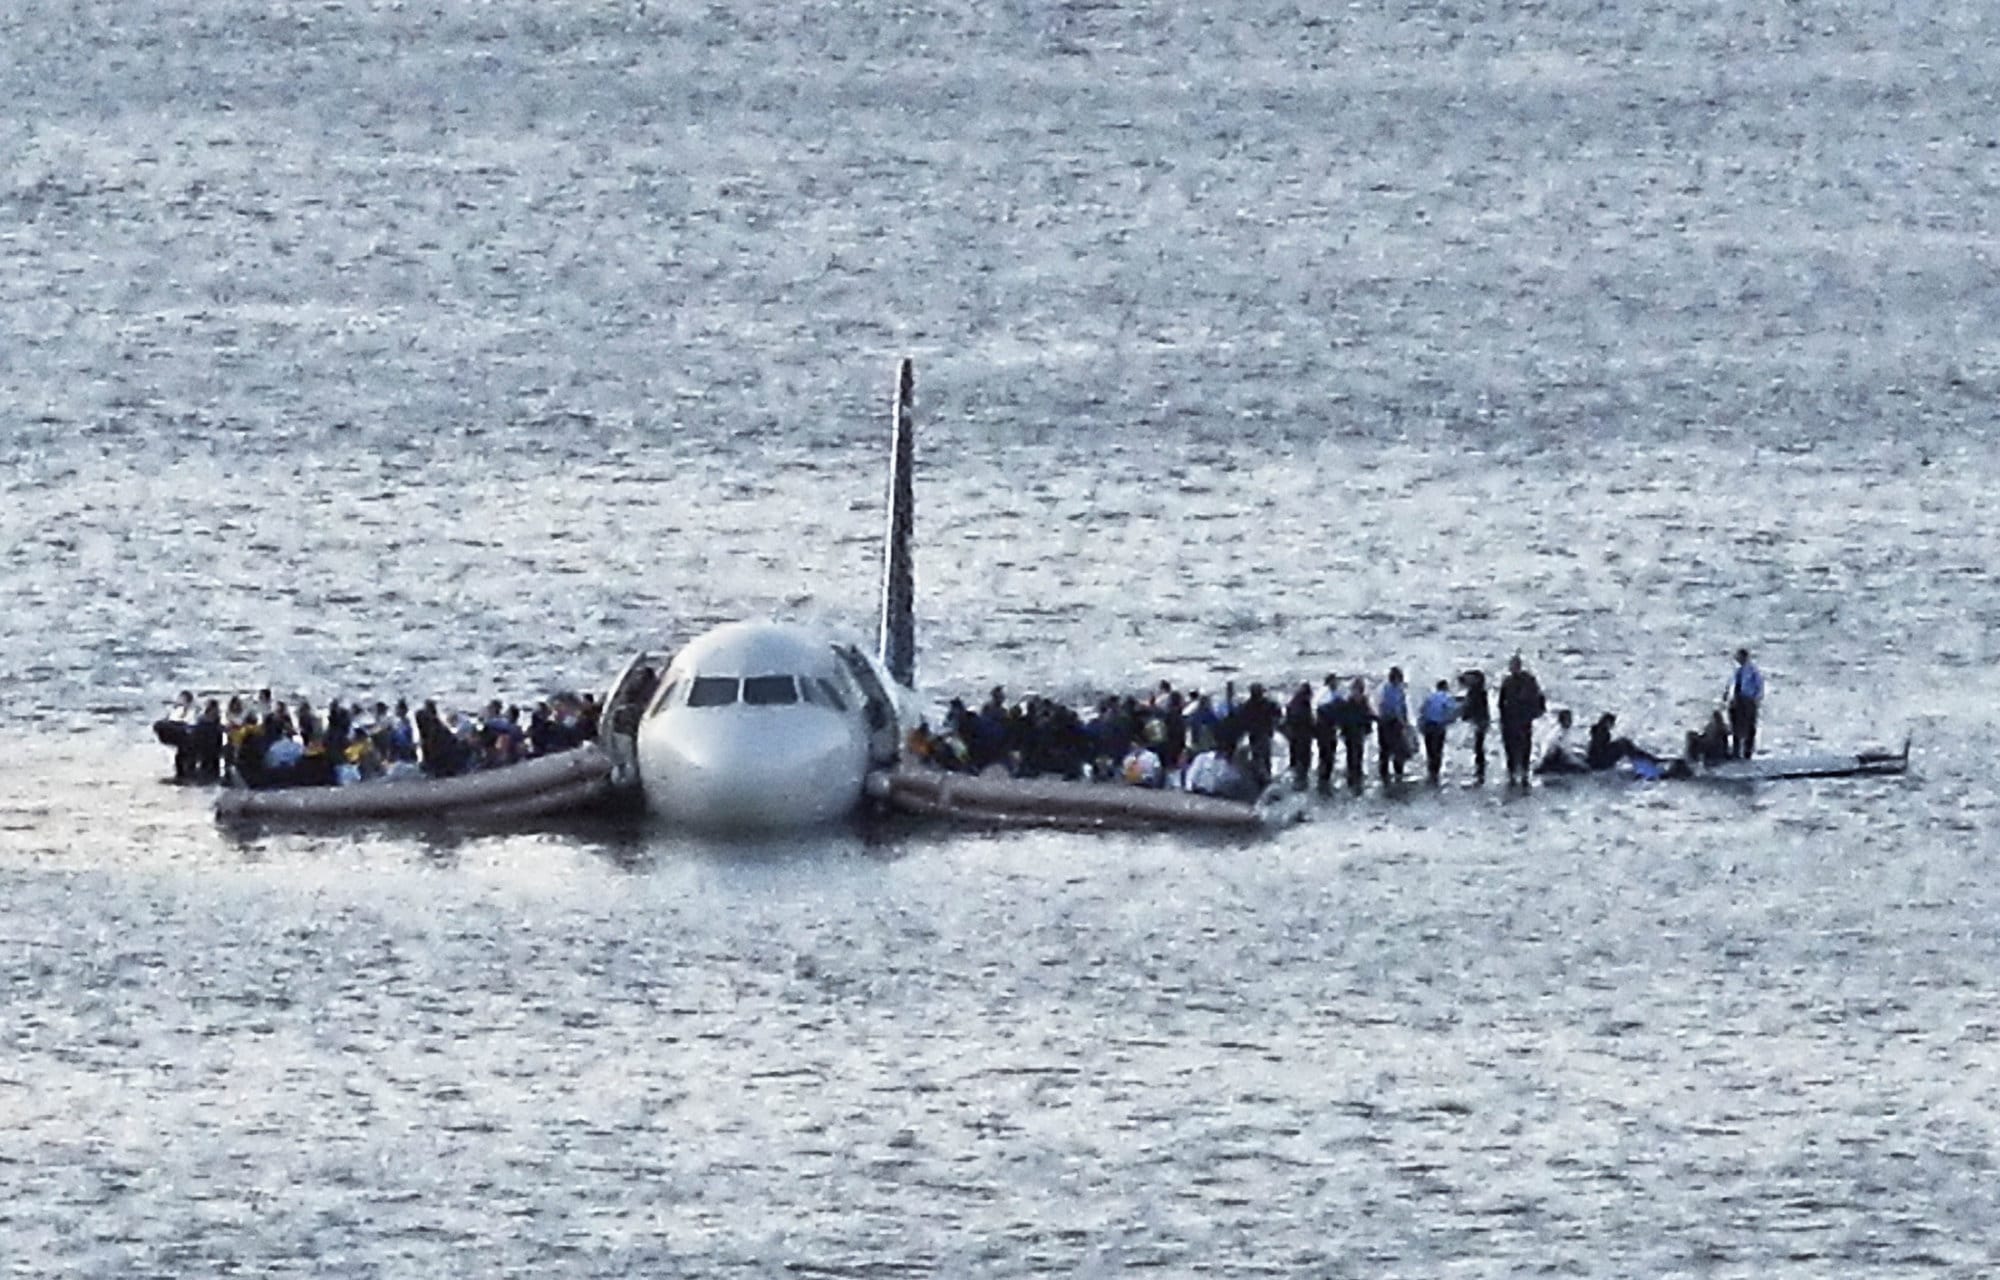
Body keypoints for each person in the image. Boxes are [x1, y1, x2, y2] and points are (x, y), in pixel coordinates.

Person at [1497, 655, 1547, 786]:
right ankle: (1512, 772)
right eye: (1511, 666)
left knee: (1524, 745)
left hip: (1524, 718)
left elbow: (1539, 696)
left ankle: (1524, 771)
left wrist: (1537, 711)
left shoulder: (1528, 680)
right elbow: (1501, 701)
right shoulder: (1507, 681)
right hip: (1509, 718)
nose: (1512, 668)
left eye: (1514, 665)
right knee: (1510, 746)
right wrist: (1502, 718)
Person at [1586, 713, 1660, 771]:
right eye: (1611, 723)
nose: (1612, 725)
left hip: (1597, 760)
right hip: (1599, 762)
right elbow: (1598, 748)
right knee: (1623, 744)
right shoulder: (1601, 732)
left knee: (1624, 743)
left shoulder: (1601, 731)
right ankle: (1647, 760)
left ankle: (1645, 759)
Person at [1417, 680, 1458, 784]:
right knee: (1438, 749)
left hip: (1427, 725)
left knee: (1429, 749)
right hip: (1439, 726)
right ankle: (1435, 772)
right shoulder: (1447, 697)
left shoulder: (1430, 697)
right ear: (1446, 687)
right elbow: (1451, 711)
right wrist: (1449, 721)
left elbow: (1422, 710)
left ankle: (1430, 771)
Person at [1375, 667, 1412, 784]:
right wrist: (1404, 723)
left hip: (1382, 722)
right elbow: (1397, 709)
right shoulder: (1395, 690)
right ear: (1396, 678)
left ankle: (1384, 775)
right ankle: (1398, 775)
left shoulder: (1383, 688)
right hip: (1393, 723)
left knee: (1384, 750)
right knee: (1398, 750)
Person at [1727, 648, 1763, 758]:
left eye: (1739, 657)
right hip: (1737, 700)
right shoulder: (1737, 671)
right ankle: (1736, 750)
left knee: (1749, 726)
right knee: (1736, 725)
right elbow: (1732, 685)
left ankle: (1748, 751)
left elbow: (1759, 685)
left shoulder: (1752, 670)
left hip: (1748, 700)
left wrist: (1756, 699)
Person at [1458, 669, 1491, 784]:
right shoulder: (1478, 691)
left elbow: (1473, 706)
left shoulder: (1477, 692)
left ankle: (1480, 771)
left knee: (1478, 747)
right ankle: (1479, 770)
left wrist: (1465, 714)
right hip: (1480, 721)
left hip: (1479, 721)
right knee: (1478, 746)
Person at [1312, 675, 1342, 793]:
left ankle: (1323, 779)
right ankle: (1324, 781)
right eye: (1335, 681)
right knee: (1327, 755)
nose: (1337, 683)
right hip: (1326, 730)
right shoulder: (1326, 694)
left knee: (1325, 755)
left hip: (1326, 730)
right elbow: (1324, 710)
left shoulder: (1326, 694)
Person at [1282, 683, 1315, 790]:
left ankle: (1298, 778)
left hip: (1295, 735)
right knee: (1303, 759)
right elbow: (1306, 720)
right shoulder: (1303, 705)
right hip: (1302, 735)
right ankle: (1300, 782)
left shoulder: (1293, 702)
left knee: (1296, 757)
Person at [1536, 708, 1588, 774]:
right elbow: (1565, 753)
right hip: (1552, 759)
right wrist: (1580, 763)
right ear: (1561, 720)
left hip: (1556, 756)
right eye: (1568, 720)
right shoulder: (1560, 733)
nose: (1570, 722)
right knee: (1584, 768)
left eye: (1570, 719)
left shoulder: (1563, 730)